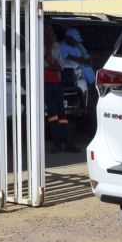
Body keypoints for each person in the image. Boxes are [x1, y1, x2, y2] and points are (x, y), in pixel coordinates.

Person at [44, 24, 80, 154]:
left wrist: (53, 66)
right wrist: (48, 48)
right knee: (53, 114)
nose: (52, 34)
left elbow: (60, 66)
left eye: (51, 31)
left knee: (62, 113)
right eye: (48, 31)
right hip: (46, 83)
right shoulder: (39, 46)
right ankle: (57, 143)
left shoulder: (56, 47)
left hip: (56, 82)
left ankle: (68, 142)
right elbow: (45, 63)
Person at [59, 27, 98, 130]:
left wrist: (83, 51)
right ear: (67, 38)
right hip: (77, 81)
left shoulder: (77, 46)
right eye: (74, 40)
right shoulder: (61, 47)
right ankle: (91, 126)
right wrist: (85, 59)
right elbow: (76, 59)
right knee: (88, 104)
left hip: (90, 78)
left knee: (93, 102)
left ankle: (88, 124)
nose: (76, 42)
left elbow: (88, 58)